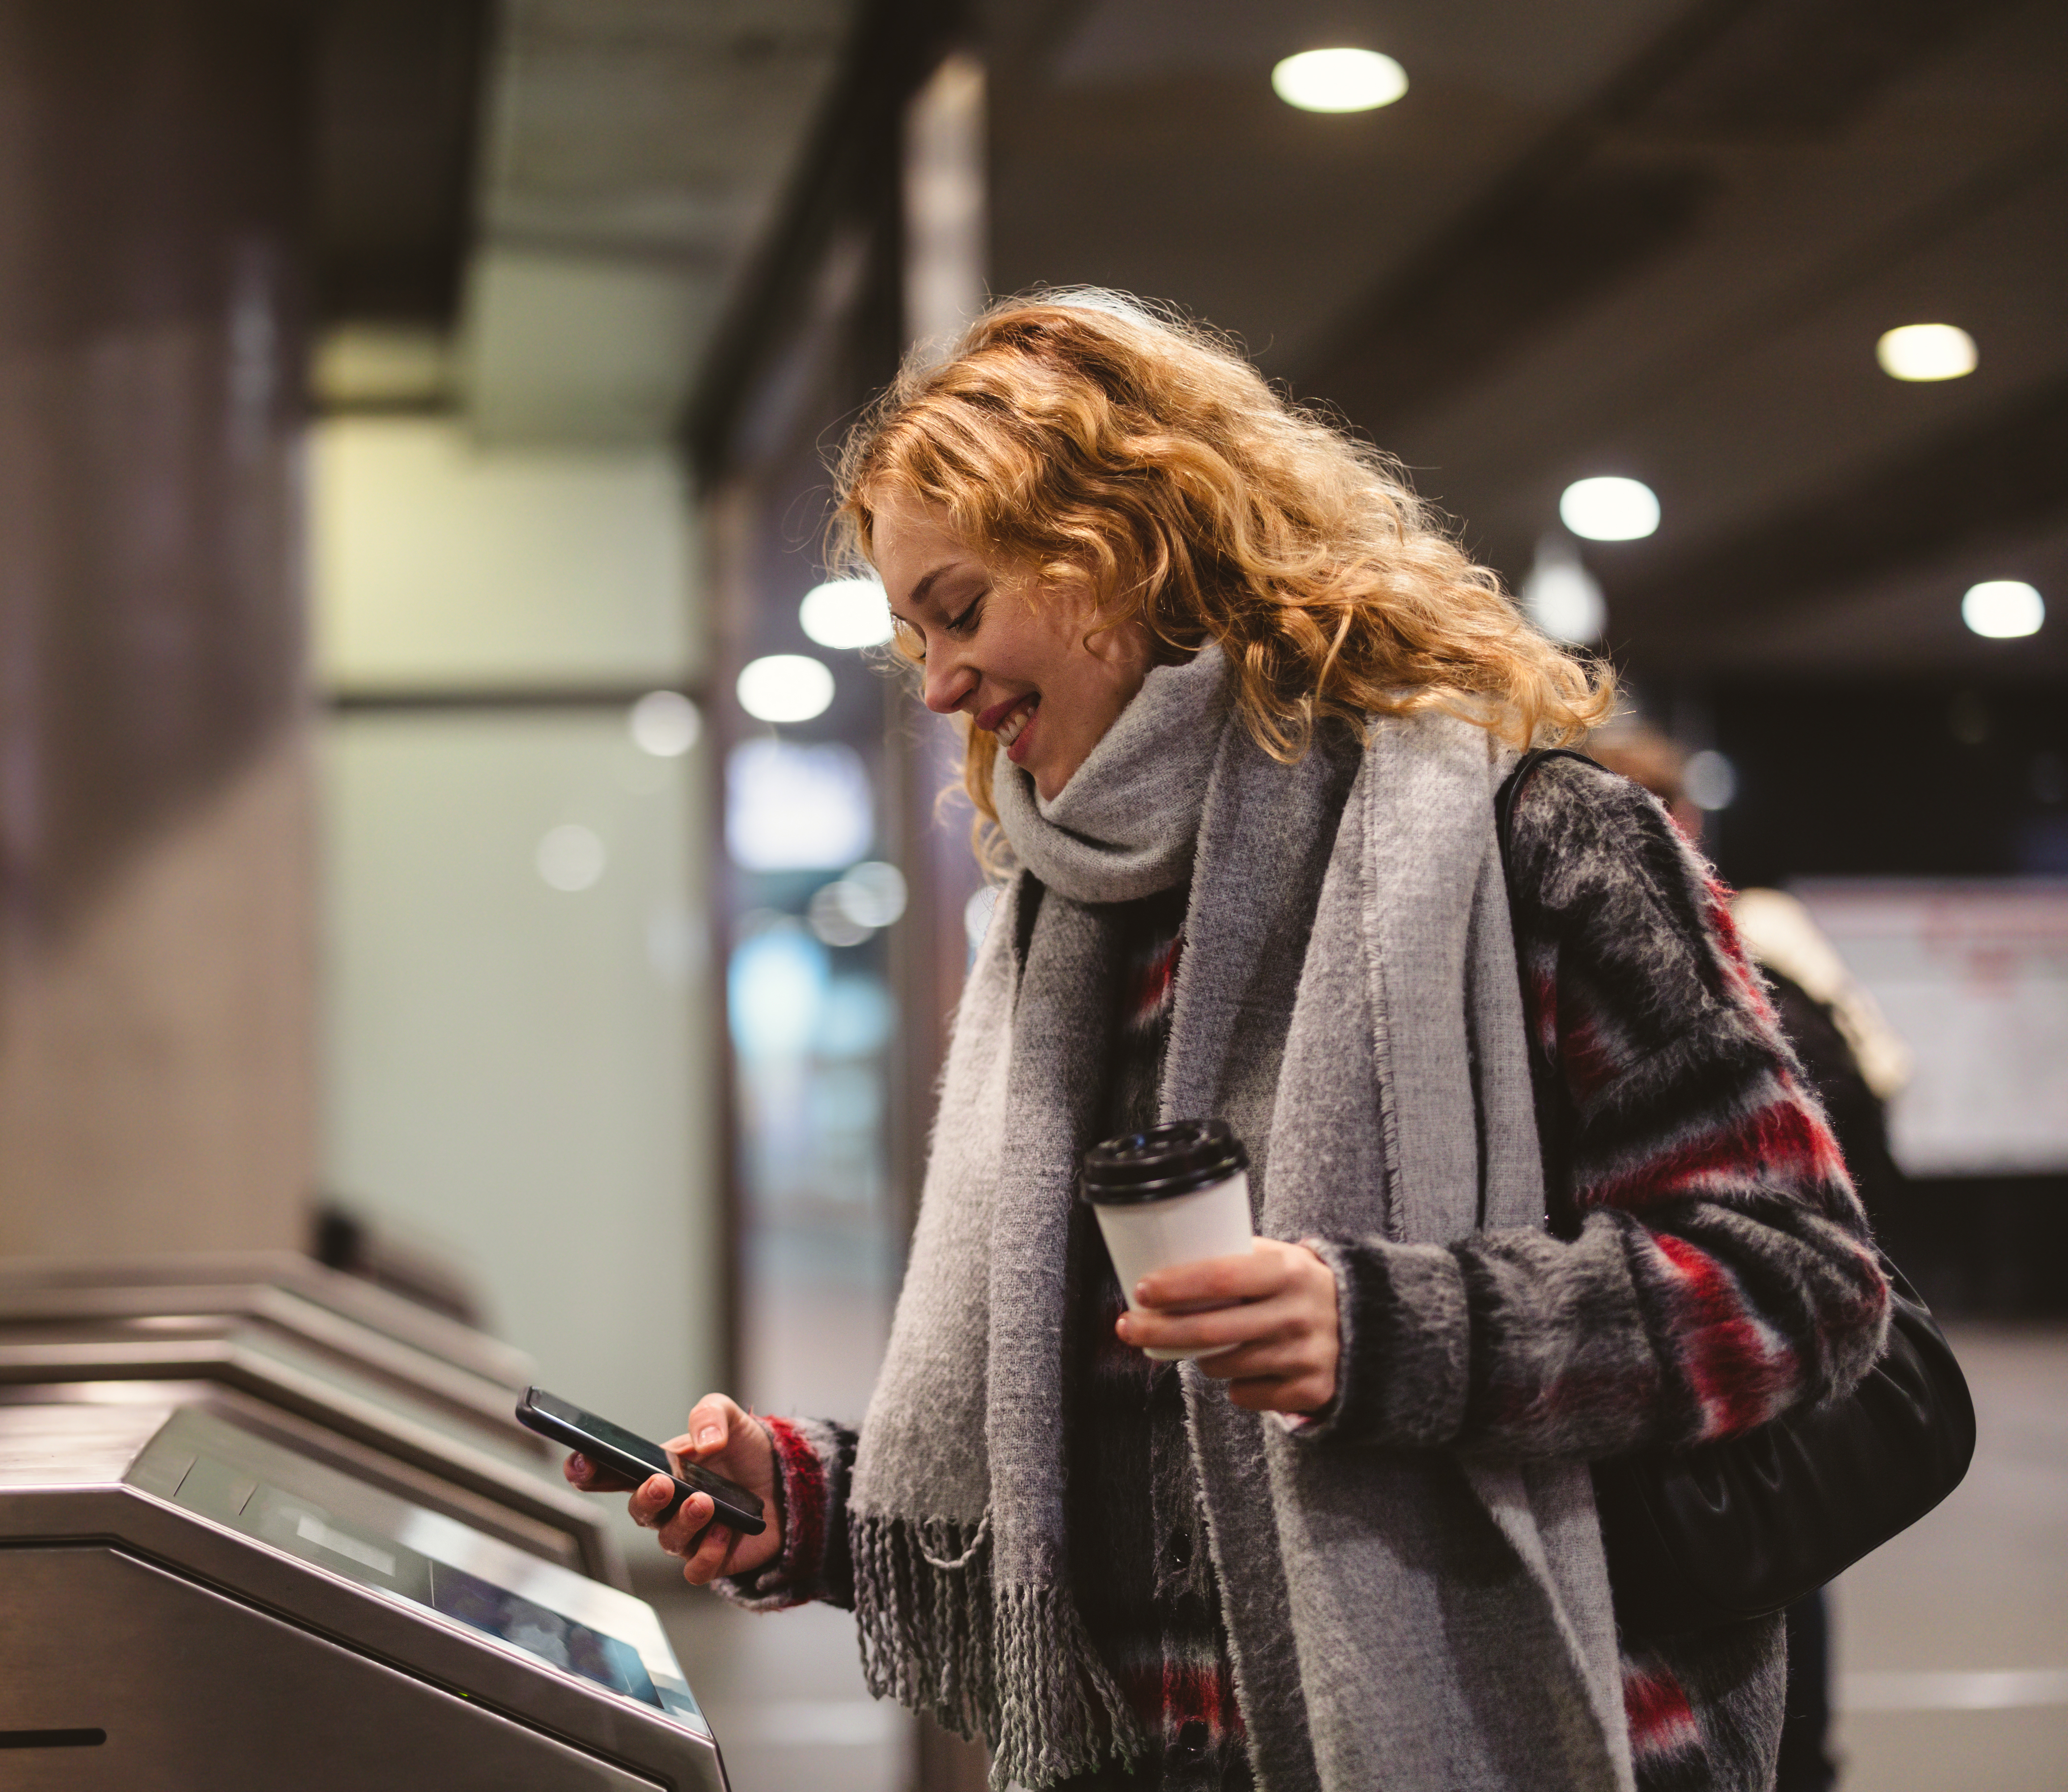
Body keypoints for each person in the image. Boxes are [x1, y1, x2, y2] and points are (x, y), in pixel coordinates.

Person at [566, 293, 1891, 1792]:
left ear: (1124, 545)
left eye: (957, 605)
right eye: (911, 632)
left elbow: (1806, 1286)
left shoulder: (1539, 846)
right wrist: (810, 1502)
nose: (936, 683)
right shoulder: (1063, 931)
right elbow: (1128, 1444)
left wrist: (1388, 1332)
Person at [1587, 719, 1918, 1792]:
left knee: (1759, 1575)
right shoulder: (1759, 953)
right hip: (1760, 1348)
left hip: (1757, 1348)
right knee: (1774, 1573)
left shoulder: (1726, 962)